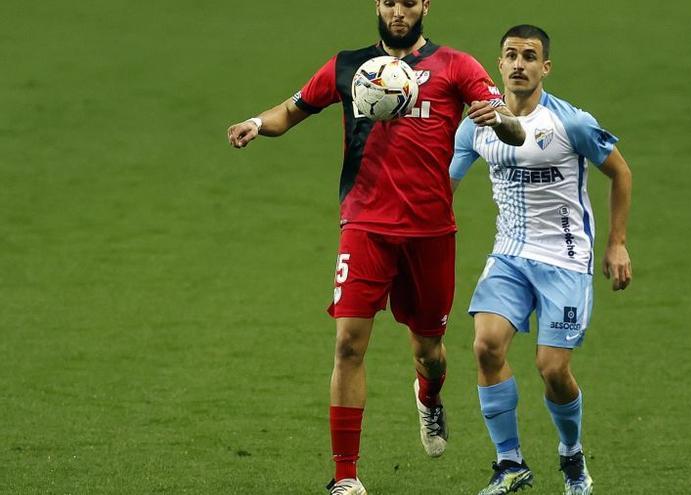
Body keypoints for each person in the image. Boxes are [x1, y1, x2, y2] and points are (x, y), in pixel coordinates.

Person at [227, 2, 525, 494]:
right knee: (347, 345)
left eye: (409, 1)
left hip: (430, 232)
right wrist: (256, 125)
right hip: (364, 224)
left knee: (429, 351)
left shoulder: (457, 66)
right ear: (378, 5)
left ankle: (429, 398)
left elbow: (514, 131)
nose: (399, 11)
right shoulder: (348, 67)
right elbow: (291, 109)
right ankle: (345, 476)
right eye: (390, 1)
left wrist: (495, 118)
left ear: (425, 5)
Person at [449, 25, 633, 495]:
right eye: (510, 55)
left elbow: (620, 173)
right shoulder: (476, 125)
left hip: (566, 260)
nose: (518, 64)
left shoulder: (570, 123)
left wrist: (616, 243)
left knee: (552, 368)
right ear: (499, 64)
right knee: (486, 346)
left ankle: (571, 456)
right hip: (508, 256)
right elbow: (441, 190)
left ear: (544, 67)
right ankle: (509, 463)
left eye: (529, 57)